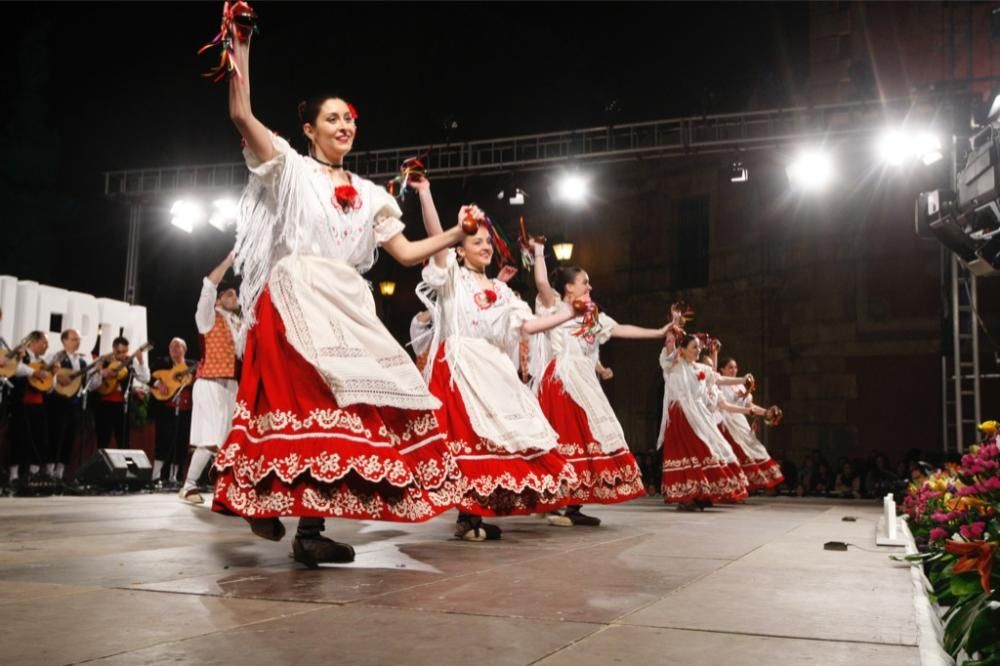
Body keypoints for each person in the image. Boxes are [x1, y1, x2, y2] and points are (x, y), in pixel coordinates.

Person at [211, 23, 477, 567]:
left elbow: (405, 254)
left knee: (345, 408)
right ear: (308, 129)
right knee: (302, 403)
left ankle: (309, 530)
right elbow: (241, 115)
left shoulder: (375, 195)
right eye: (333, 118)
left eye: (349, 119)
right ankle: (263, 496)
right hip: (296, 295)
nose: (344, 125)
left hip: (346, 302)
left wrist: (456, 233)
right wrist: (239, 46)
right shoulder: (289, 167)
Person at [412, 178, 579, 540]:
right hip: (460, 365)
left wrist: (568, 314)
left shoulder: (502, 291)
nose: (486, 247)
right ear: (460, 250)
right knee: (468, 440)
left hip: (492, 368)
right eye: (477, 242)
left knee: (497, 441)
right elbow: (435, 234)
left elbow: (529, 324)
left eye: (488, 242)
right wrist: (426, 192)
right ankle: (468, 517)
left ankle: (473, 513)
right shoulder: (452, 277)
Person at [529, 244, 659, 526]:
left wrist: (659, 332)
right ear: (568, 288)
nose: (590, 286)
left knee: (590, 439)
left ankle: (572, 505)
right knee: (569, 439)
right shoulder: (557, 305)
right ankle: (557, 504)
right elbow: (541, 282)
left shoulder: (592, 315)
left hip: (585, 381)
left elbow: (621, 329)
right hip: (562, 379)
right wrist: (538, 252)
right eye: (584, 282)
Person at [658, 330, 748, 510]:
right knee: (688, 452)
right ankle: (686, 497)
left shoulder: (701, 369)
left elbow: (718, 379)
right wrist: (674, 327)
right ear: (681, 350)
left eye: (699, 347)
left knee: (707, 450)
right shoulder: (674, 365)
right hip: (681, 414)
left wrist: (743, 379)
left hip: (699, 414)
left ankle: (700, 492)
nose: (698, 350)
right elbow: (669, 346)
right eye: (694, 347)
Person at [180, 255, 241, 505]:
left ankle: (193, 486)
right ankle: (196, 486)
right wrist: (228, 261)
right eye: (228, 294)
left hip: (231, 383)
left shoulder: (238, 322)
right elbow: (208, 286)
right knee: (214, 437)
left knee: (224, 437)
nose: (234, 297)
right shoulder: (208, 317)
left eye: (235, 294)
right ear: (218, 299)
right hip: (209, 382)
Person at [710, 353, 784, 493]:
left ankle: (743, 487)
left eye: (735, 367)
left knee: (754, 450)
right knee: (735, 453)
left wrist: (766, 412)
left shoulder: (741, 386)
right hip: (726, 422)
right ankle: (731, 488)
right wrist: (715, 353)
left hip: (740, 421)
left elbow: (750, 406)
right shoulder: (719, 384)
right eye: (730, 367)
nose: (734, 370)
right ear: (722, 370)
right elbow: (712, 373)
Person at [150, 338, 197, 488]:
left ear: (185, 349)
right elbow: (148, 376)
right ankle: (156, 476)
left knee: (181, 444)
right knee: (163, 442)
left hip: (186, 410)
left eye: (177, 346)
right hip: (167, 408)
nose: (174, 349)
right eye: (171, 347)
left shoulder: (192, 365)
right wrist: (159, 383)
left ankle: (174, 476)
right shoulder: (162, 362)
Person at [88, 337, 149, 449]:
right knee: (103, 440)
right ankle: (102, 466)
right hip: (103, 405)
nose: (123, 355)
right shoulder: (103, 360)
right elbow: (91, 386)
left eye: (125, 351)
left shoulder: (130, 361)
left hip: (123, 406)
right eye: (119, 352)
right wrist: (101, 373)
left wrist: (141, 362)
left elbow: (145, 379)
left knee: (124, 441)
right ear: (113, 348)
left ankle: (123, 466)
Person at [9, 332, 53, 487]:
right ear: (33, 342)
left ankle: (32, 475)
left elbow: (49, 388)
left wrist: (49, 376)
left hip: (38, 404)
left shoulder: (42, 361)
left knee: (39, 438)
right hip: (22, 403)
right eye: (44, 342)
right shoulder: (22, 355)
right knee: (19, 438)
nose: (46, 346)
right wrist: (33, 372)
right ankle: (14, 475)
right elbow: (15, 369)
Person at [46, 329, 90, 482]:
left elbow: (88, 384)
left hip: (75, 403)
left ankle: (60, 472)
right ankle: (49, 470)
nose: (77, 342)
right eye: (73, 339)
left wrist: (96, 373)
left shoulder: (83, 361)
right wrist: (57, 378)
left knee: (69, 437)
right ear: (64, 341)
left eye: (78, 339)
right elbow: (47, 376)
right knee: (55, 435)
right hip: (57, 402)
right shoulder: (55, 357)